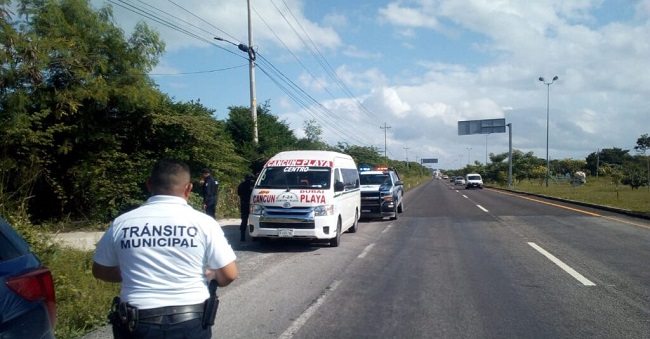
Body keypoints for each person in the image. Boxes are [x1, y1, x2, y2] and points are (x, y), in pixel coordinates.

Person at [92, 158, 238, 339]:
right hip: (190, 323)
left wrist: (135, 271)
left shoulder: (123, 223)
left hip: (136, 324)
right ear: (188, 188)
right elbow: (229, 274)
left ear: (149, 184)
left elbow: (100, 270)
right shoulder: (204, 223)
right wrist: (211, 274)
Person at [237, 173, 256, 242]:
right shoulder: (254, 185)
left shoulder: (241, 185)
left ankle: (242, 236)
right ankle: (255, 237)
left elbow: (239, 193)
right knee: (253, 220)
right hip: (252, 205)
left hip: (244, 204)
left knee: (244, 221)